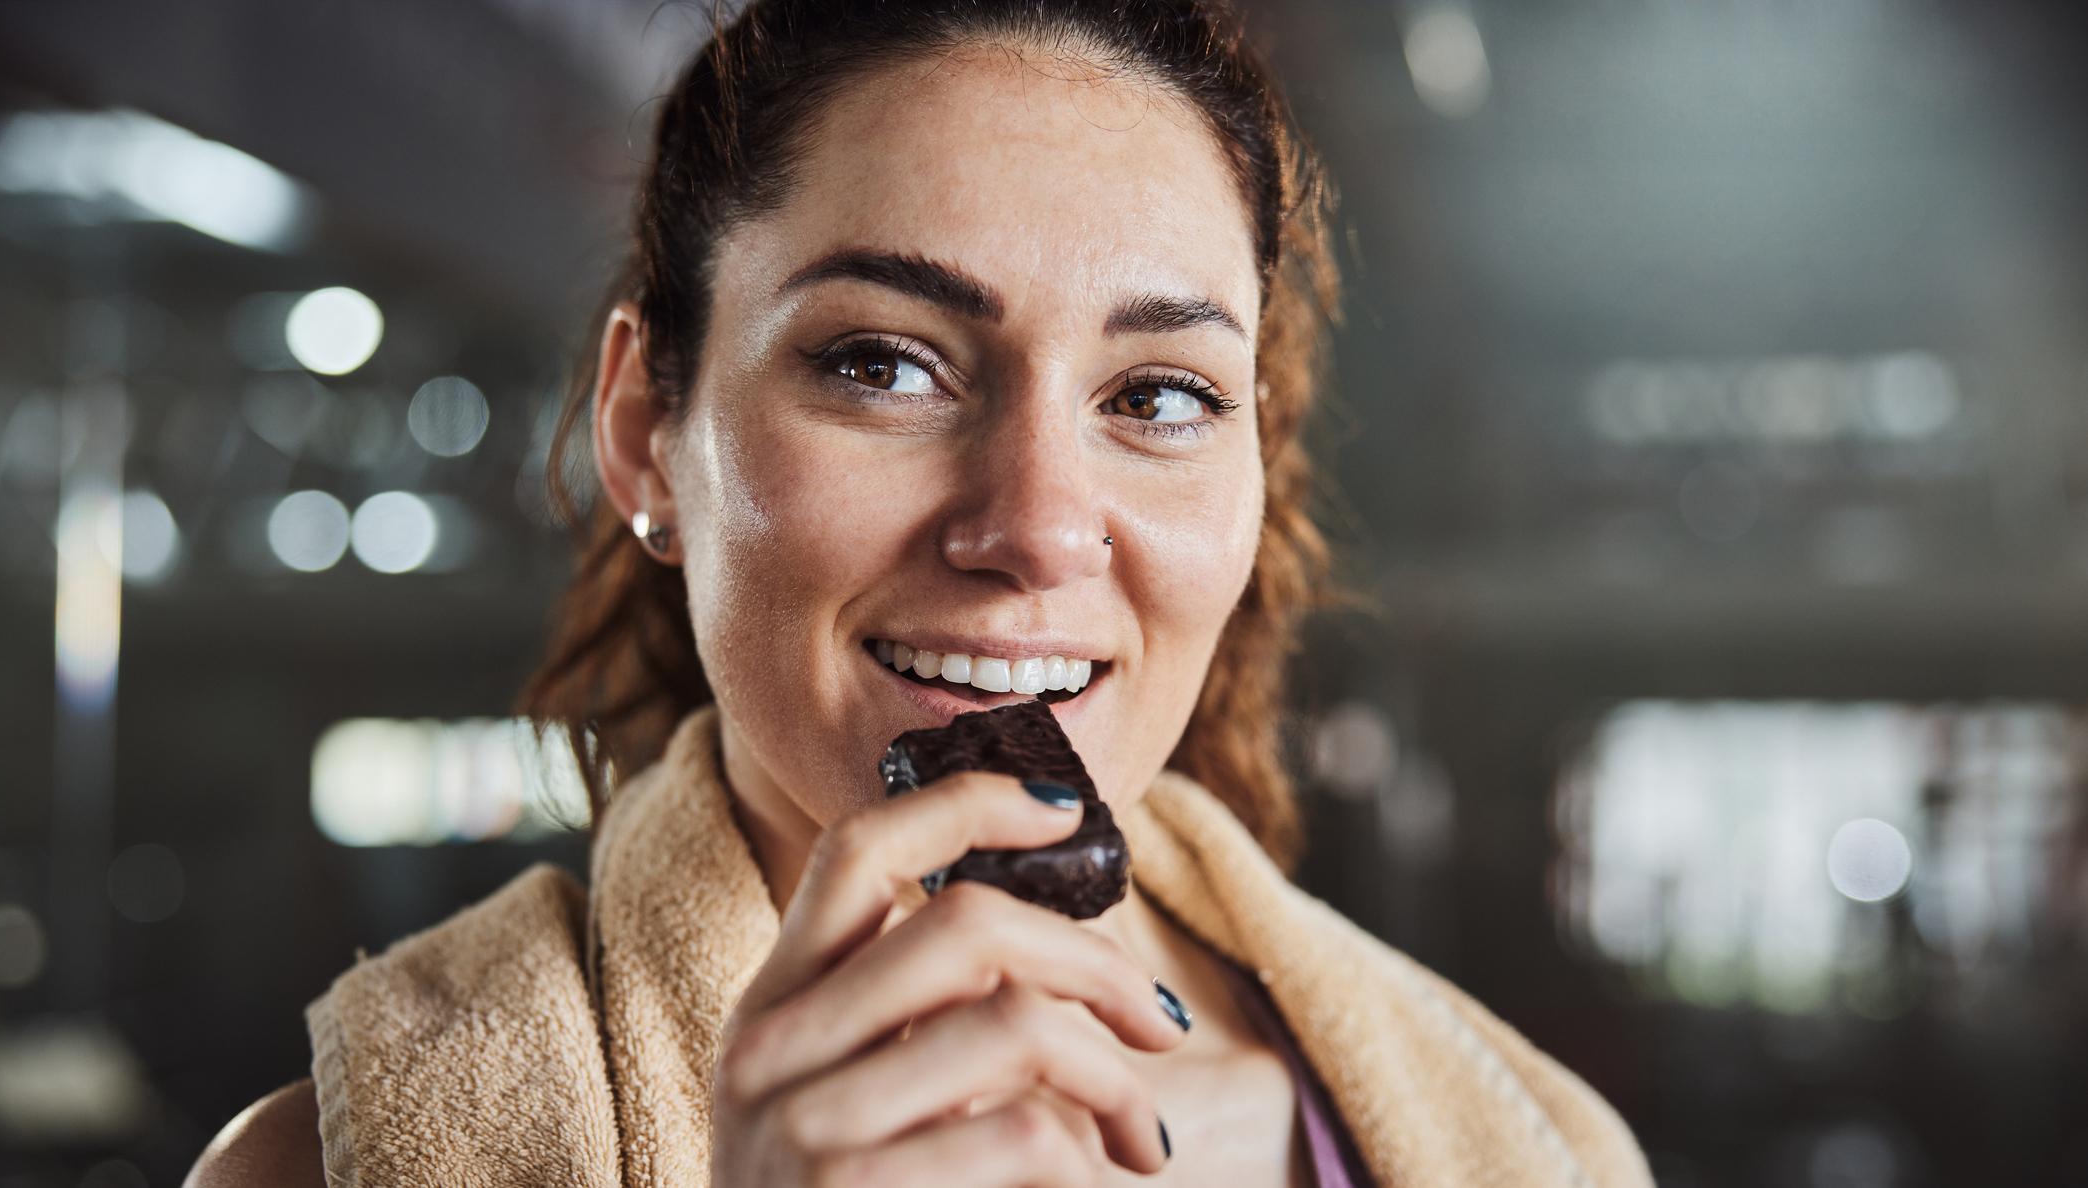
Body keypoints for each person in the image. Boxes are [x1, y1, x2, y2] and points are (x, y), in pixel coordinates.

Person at [188, 1, 1656, 1184]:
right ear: (643, 432)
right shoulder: (328, 1165)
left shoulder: (1541, 1151)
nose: (1032, 527)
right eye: (880, 364)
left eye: (1155, 393)